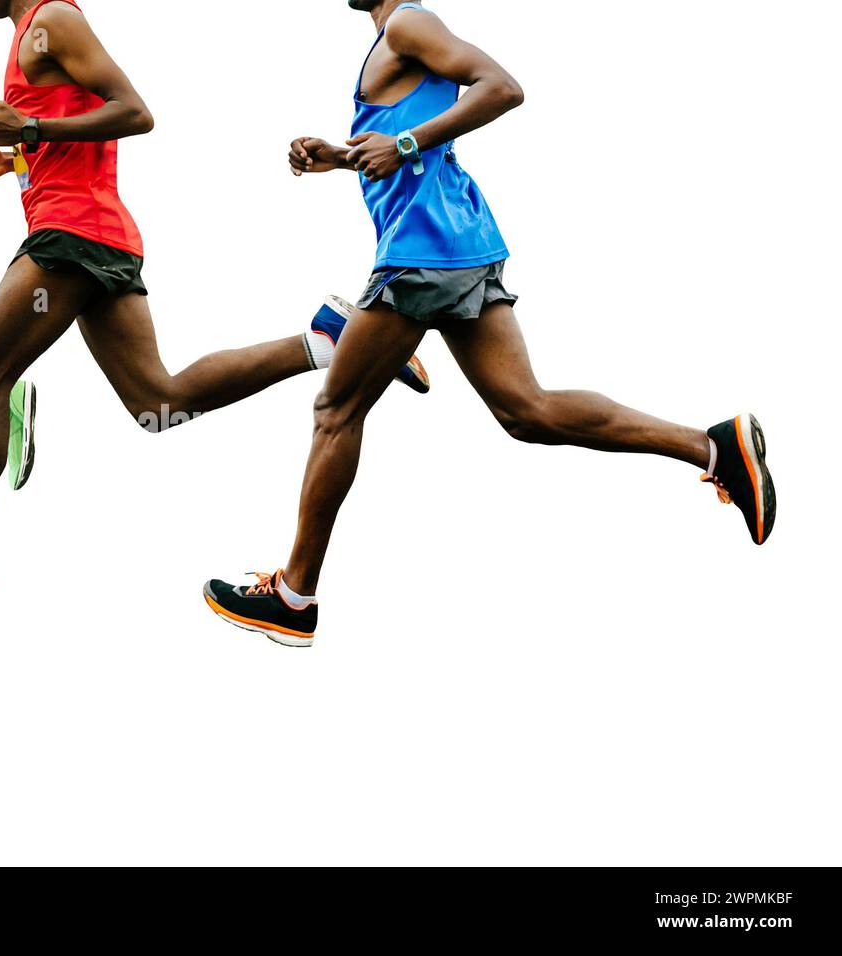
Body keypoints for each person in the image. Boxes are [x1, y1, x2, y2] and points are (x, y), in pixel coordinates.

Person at [203, 0, 776, 647]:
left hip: (424, 254)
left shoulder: (406, 24)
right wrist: (339, 156)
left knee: (337, 409)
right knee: (526, 411)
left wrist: (405, 142)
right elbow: (406, 150)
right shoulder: (395, 40)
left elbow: (502, 88)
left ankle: (293, 597)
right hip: (457, 244)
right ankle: (712, 446)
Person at [0, 0, 430, 606]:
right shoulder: (28, 36)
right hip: (98, 239)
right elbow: (77, 129)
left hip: (72, 238)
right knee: (158, 403)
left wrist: (29, 131)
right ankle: (321, 341)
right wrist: (12, 159)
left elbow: (135, 114)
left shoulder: (51, 19)